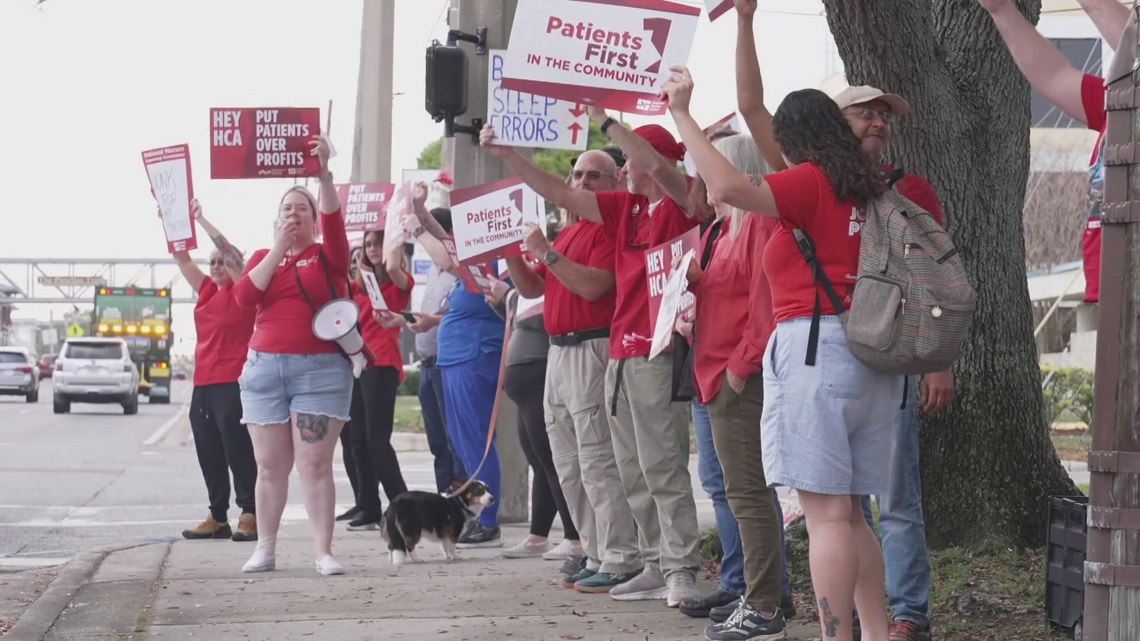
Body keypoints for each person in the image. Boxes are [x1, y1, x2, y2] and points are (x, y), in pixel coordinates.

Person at [664, 68, 904, 641]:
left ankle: (835, 635)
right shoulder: (871, 186)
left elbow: (723, 187)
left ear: (795, 142)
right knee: (851, 513)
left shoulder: (808, 182)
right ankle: (874, 632)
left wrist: (680, 114)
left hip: (816, 351)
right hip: (874, 352)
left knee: (825, 520)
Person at [482, 113, 703, 606]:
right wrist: (510, 158)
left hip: (656, 347)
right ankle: (650, 562)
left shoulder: (681, 200)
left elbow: (654, 170)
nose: (624, 170)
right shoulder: (625, 211)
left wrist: (604, 118)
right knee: (629, 469)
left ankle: (681, 568)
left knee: (661, 467)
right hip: (623, 351)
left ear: (659, 161)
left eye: (630, 162)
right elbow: (561, 195)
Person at [503, 150, 642, 590]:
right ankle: (595, 551)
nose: (582, 182)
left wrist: (545, 252)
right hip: (559, 351)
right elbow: (533, 288)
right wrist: (512, 254)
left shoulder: (610, 226)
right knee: (568, 461)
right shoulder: (570, 231)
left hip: (591, 344)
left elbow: (594, 284)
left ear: (614, 182)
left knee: (597, 457)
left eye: (594, 176)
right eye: (577, 174)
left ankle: (620, 556)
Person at [674, 134, 790, 640]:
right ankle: (761, 596)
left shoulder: (758, 222)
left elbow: (764, 306)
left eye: (705, 164)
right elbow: (734, 293)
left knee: (748, 493)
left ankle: (764, 607)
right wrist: (697, 285)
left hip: (737, 376)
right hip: (718, 373)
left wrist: (738, 371)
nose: (700, 176)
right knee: (739, 492)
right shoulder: (723, 229)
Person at [233, 135, 354, 576]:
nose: (294, 214)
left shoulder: (328, 255)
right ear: (276, 220)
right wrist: (280, 249)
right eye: (287, 208)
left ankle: (323, 551)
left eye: (302, 209)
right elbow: (246, 297)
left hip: (319, 370)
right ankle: (265, 548)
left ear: (315, 220)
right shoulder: (263, 256)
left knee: (315, 463)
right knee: (269, 466)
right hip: (265, 369)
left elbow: (335, 222)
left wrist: (322, 176)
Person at [979, 0, 1130, 305]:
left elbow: (1127, 39)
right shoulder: (1118, 103)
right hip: (1110, 290)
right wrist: (1002, 11)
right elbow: (1053, 74)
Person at [406, 185, 505, 548]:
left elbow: (447, 257)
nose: (459, 234)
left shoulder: (492, 257)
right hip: (457, 358)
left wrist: (416, 227)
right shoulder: (476, 255)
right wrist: (421, 211)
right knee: (463, 445)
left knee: (476, 445)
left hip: (474, 356)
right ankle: (479, 516)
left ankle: (489, 521)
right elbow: (447, 242)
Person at [167, 199, 258, 543]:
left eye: (222, 262)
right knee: (209, 451)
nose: (218, 265)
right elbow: (182, 258)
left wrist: (201, 220)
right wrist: (174, 221)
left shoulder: (242, 290)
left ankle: (249, 513)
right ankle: (218, 516)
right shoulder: (206, 290)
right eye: (213, 263)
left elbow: (231, 254)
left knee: (238, 449)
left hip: (233, 382)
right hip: (203, 383)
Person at [490, 279, 581, 560]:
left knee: (552, 459)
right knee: (538, 461)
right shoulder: (525, 290)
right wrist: (502, 302)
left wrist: (509, 295)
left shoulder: (546, 282)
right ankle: (538, 536)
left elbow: (547, 319)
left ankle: (575, 536)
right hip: (524, 383)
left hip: (538, 371)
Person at [343, 230, 413, 531]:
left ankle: (404, 507)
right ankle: (369, 507)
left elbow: (396, 269)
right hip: (357, 367)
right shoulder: (356, 290)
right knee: (356, 440)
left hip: (382, 364)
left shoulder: (396, 284)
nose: (371, 249)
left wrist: (394, 239)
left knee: (376, 440)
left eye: (377, 244)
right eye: (367, 244)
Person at [337, 245, 366, 522]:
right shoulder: (344, 292)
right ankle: (360, 500)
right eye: (352, 260)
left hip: (365, 369)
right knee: (347, 441)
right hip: (340, 370)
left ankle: (369, 501)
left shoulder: (367, 292)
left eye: (361, 259)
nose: (356, 264)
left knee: (361, 440)